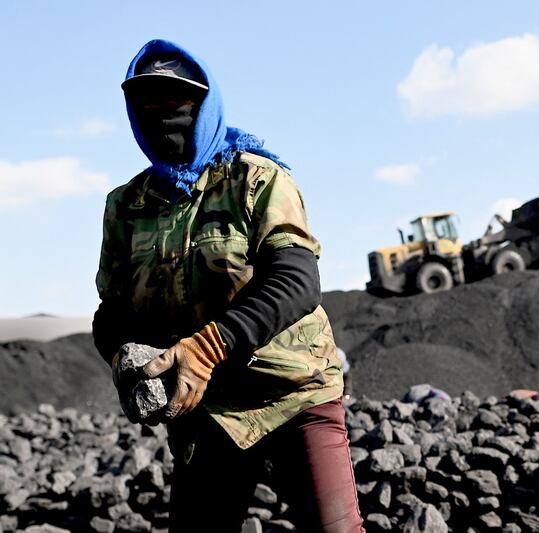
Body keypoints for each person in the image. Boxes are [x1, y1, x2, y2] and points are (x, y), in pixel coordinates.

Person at [92, 39, 364, 532]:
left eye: (178, 100)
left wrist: (208, 346)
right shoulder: (127, 205)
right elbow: (111, 312)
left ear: (204, 103)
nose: (162, 113)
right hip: (206, 405)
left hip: (293, 391)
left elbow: (297, 280)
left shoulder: (257, 179)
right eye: (148, 102)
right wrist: (125, 360)